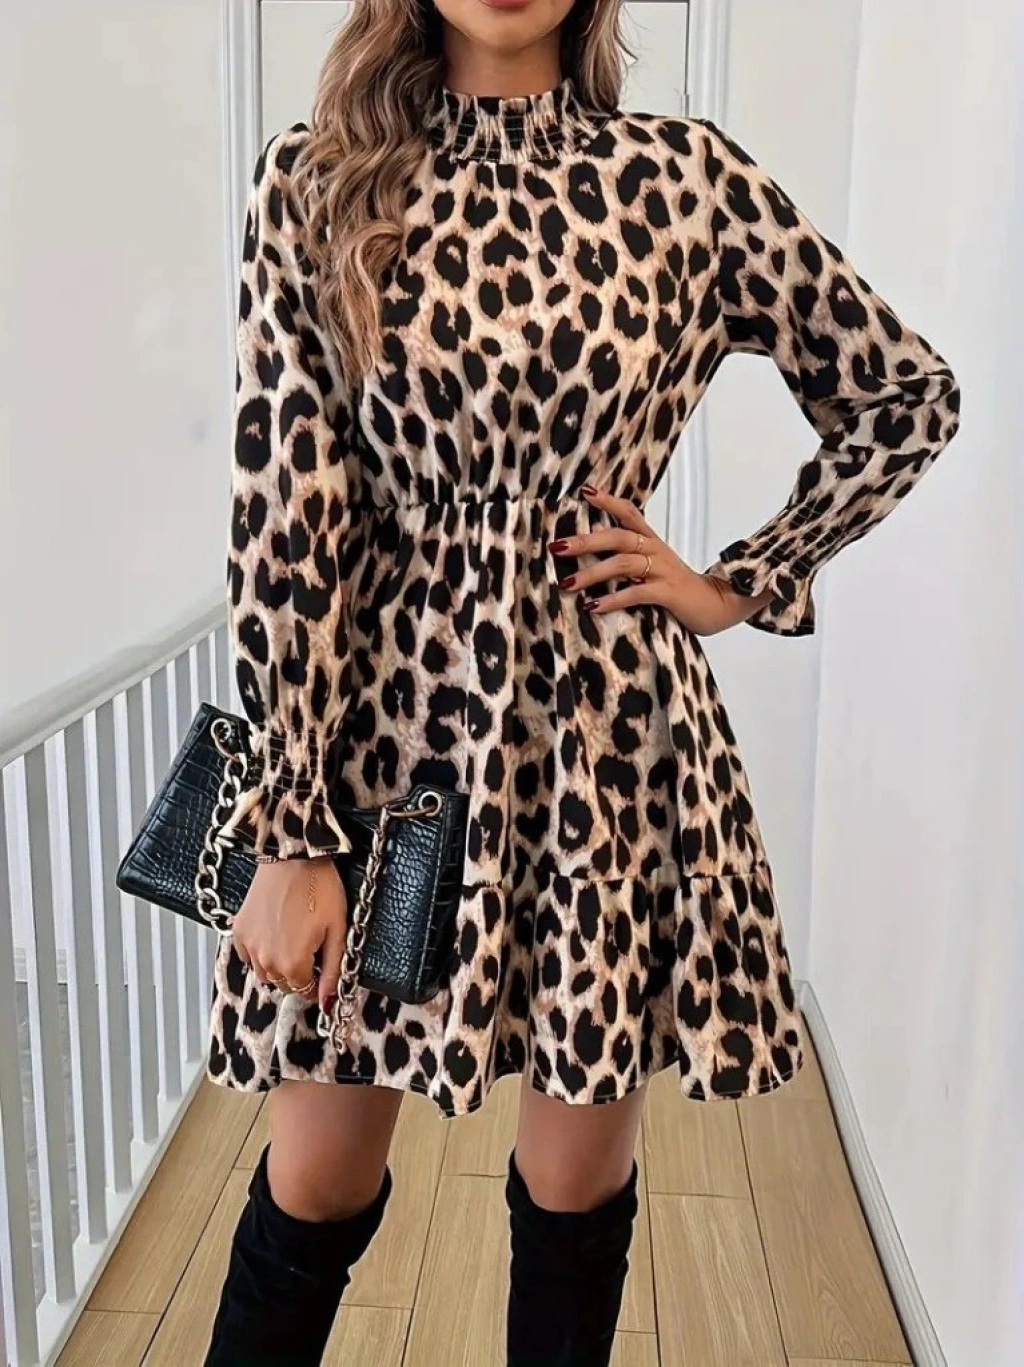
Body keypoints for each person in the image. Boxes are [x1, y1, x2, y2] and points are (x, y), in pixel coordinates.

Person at [201, 0, 961, 1363]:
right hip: (381, 752)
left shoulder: (682, 180)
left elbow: (905, 396)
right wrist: (289, 829)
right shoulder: (315, 182)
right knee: (314, 1187)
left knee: (574, 1195)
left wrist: (738, 580)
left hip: (603, 747)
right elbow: (286, 528)